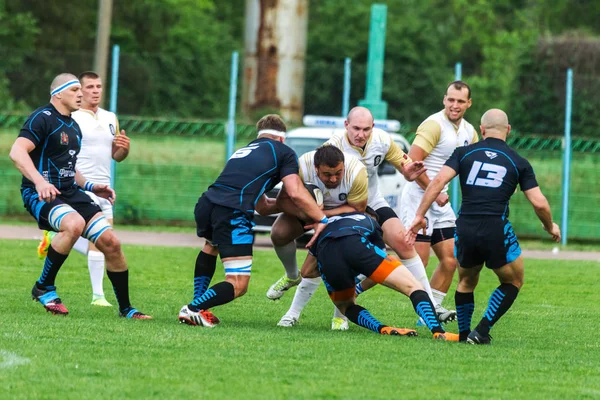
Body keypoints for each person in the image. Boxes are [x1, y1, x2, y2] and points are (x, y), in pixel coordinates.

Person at [269, 106, 453, 329]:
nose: (361, 134)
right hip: (325, 205)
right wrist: (313, 212)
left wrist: (409, 172)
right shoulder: (331, 150)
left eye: (366, 129)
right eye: (356, 128)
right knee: (283, 236)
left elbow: (399, 170)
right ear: (346, 126)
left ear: (373, 128)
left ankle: (430, 308)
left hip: (365, 203)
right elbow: (290, 194)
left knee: (402, 242)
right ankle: (291, 279)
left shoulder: (380, 143)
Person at [407, 109, 561, 344]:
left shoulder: (464, 153)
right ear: (508, 130)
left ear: (481, 129)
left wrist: (419, 214)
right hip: (495, 228)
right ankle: (481, 330)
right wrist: (550, 227)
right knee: (513, 281)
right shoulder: (518, 161)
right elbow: (539, 203)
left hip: (465, 226)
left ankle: (464, 333)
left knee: (467, 281)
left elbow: (438, 181)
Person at [9, 73, 150, 319]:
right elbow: (17, 151)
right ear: (58, 94)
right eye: (75, 90)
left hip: (71, 192)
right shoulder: (41, 119)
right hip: (39, 192)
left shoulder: (73, 126)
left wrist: (93, 187)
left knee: (111, 243)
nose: (81, 94)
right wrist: (40, 182)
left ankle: (126, 309)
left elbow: (70, 168)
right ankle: (44, 287)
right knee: (73, 225)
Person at [177, 114, 328, 327]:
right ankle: (193, 309)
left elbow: (264, 206)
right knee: (239, 284)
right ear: (282, 139)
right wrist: (320, 217)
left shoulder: (243, 151)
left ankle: (198, 307)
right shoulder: (284, 152)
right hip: (231, 211)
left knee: (211, 247)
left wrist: (291, 204)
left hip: (207, 204)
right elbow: (295, 191)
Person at [37, 71, 131, 307]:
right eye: (88, 87)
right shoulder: (70, 116)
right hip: (75, 186)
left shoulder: (110, 117)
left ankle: (124, 306)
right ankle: (98, 295)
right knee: (90, 237)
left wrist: (124, 149)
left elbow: (115, 156)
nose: (94, 91)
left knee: (108, 241)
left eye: (98, 86)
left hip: (101, 185)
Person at [306, 211, 459, 341]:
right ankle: (439, 332)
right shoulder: (370, 222)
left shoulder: (324, 225)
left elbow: (306, 271)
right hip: (356, 244)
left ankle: (382, 329)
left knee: (347, 307)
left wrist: (336, 266)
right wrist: (358, 287)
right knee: (413, 286)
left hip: (327, 256)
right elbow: (377, 271)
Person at [266, 145, 368, 327]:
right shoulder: (302, 166)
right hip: (312, 213)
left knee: (330, 264)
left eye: (338, 173)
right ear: (316, 168)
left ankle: (338, 316)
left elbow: (358, 208)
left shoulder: (356, 171)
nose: (334, 178)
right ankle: (291, 276)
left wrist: (322, 217)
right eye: (327, 175)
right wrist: (312, 215)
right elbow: (282, 201)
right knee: (279, 233)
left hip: (345, 216)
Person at [401, 80, 478, 319]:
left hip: (441, 203)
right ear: (444, 100)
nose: (454, 105)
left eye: (460, 101)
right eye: (450, 100)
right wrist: (435, 192)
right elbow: (412, 163)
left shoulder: (469, 131)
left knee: (450, 259)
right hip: (418, 198)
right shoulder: (434, 125)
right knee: (417, 262)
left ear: (468, 103)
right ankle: (360, 282)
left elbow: (474, 166)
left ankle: (431, 310)